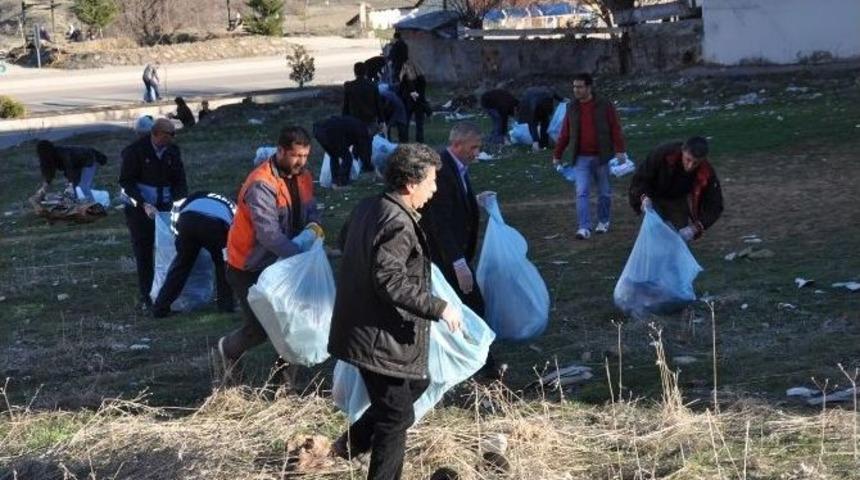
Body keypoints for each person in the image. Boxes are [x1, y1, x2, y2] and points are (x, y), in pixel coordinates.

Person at [329, 143, 462, 479]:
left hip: (365, 325)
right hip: (376, 334)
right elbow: (390, 281)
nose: (434, 189)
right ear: (410, 184)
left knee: (417, 381)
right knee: (395, 416)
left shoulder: (369, 206)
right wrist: (439, 307)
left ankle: (348, 446)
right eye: (431, 181)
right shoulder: (398, 222)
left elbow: (346, 243)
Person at [215, 126, 323, 386]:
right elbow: (269, 235)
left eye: (305, 156)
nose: (301, 162)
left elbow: (311, 210)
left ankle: (282, 389)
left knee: (292, 325)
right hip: (250, 267)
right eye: (296, 155)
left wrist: (314, 227)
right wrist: (298, 255)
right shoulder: (261, 184)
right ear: (281, 151)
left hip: (284, 262)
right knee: (259, 329)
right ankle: (226, 350)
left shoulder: (304, 176)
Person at [419, 122, 498, 377]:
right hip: (444, 254)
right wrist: (458, 262)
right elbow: (438, 221)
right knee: (472, 304)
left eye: (478, 147)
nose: (477, 152)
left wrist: (473, 201)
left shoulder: (458, 167)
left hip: (454, 252)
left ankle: (468, 358)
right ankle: (483, 363)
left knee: (462, 303)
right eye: (473, 147)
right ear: (457, 145)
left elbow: (452, 205)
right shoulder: (442, 170)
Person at [119, 118, 188, 311]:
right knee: (144, 249)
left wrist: (180, 203)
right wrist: (143, 204)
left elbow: (179, 180)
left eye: (173, 135)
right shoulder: (134, 151)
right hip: (140, 208)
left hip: (165, 205)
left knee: (169, 246)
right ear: (155, 134)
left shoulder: (172, 151)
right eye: (168, 135)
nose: (171, 139)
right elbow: (126, 182)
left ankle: (167, 290)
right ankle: (147, 294)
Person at [551, 73, 627, 240]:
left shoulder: (604, 105)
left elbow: (615, 127)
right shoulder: (572, 107)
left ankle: (603, 221)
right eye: (574, 87)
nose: (576, 90)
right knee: (581, 192)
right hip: (581, 158)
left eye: (580, 87)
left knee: (604, 192)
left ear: (589, 87)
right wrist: (557, 154)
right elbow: (565, 133)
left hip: (602, 156)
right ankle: (584, 227)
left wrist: (620, 150)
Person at [151, 191, 237, 318]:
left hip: (187, 221)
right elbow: (234, 231)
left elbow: (177, 212)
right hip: (215, 226)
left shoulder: (199, 194)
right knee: (222, 266)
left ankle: (160, 308)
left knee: (181, 266)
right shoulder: (233, 207)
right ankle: (225, 306)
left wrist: (178, 240)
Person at [628, 136, 724, 241]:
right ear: (683, 151)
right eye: (688, 159)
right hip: (653, 195)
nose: (690, 166)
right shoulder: (662, 154)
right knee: (653, 232)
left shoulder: (706, 172)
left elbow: (715, 203)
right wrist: (643, 198)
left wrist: (696, 227)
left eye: (695, 163)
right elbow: (641, 178)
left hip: (678, 200)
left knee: (678, 236)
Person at [35, 140, 108, 202]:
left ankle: (93, 204)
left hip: (88, 159)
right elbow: (49, 174)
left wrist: (70, 184)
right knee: (73, 187)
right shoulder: (47, 159)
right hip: (77, 165)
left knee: (83, 186)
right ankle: (76, 202)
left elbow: (69, 168)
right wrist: (43, 189)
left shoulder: (62, 153)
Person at [312, 115, 372, 189]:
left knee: (334, 156)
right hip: (333, 132)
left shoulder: (356, 124)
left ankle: (335, 182)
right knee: (347, 158)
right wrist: (368, 167)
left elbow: (358, 147)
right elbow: (364, 151)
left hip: (319, 131)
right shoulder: (363, 130)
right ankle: (342, 183)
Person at [343, 61, 384, 165]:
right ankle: (367, 163)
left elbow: (346, 106)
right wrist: (381, 120)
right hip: (370, 119)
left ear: (355, 72)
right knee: (368, 141)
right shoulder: (373, 85)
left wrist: (344, 120)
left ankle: (357, 162)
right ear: (365, 72)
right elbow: (378, 105)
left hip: (354, 120)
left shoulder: (349, 86)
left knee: (356, 141)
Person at [518, 86, 562, 151]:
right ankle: (544, 143)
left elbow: (522, 104)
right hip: (542, 106)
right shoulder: (548, 90)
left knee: (533, 124)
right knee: (544, 122)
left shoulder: (528, 92)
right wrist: (562, 100)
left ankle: (536, 144)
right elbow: (555, 95)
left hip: (531, 107)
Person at [398, 60, 429, 143]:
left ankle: (409, 142)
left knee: (412, 124)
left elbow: (401, 91)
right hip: (415, 102)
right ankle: (416, 142)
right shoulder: (417, 78)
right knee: (416, 125)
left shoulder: (409, 79)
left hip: (413, 103)